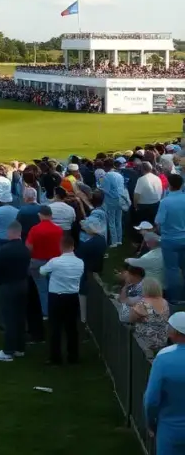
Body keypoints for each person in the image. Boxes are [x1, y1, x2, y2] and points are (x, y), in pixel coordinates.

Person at [40, 234, 85, 365]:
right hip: (72, 296)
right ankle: (73, 356)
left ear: (61, 246)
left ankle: (55, 357)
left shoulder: (55, 262)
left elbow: (42, 271)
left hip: (56, 297)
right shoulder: (80, 262)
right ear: (73, 247)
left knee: (55, 328)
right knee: (72, 327)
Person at [0, 222, 31, 362]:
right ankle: (19, 348)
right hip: (23, 284)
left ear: (9, 232)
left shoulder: (4, 249)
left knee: (9, 319)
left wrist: (1, 281)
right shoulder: (25, 248)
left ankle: (8, 351)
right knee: (20, 318)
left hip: (8, 286)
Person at [144, 312, 185, 454]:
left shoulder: (163, 358)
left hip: (170, 430)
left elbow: (151, 400)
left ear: (175, 333)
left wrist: (150, 423)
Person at [26, 206, 63, 319]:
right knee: (55, 287)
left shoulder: (34, 229)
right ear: (51, 215)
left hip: (37, 261)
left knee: (42, 288)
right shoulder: (58, 230)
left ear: (40, 215)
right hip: (54, 262)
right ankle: (57, 310)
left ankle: (46, 312)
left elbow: (29, 247)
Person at [158, 173, 185, 302]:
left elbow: (159, 220)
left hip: (170, 239)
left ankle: (175, 298)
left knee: (172, 270)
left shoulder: (165, 202)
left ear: (170, 185)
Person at [130, 277, 171, 359]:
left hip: (147, 338)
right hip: (162, 338)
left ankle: (146, 352)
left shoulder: (143, 303)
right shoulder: (164, 302)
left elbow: (131, 318)